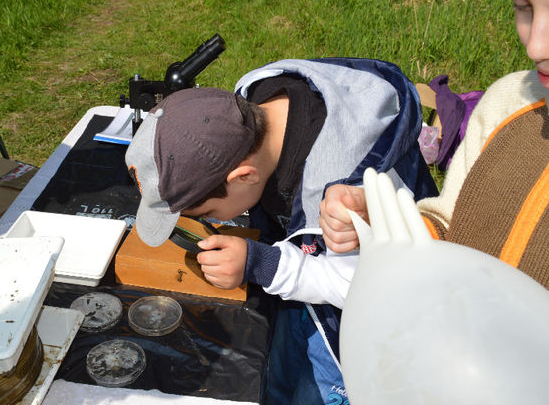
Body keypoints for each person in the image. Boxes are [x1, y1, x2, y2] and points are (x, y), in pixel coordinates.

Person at [125, 57, 438, 404]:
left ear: (244, 176)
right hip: (307, 277)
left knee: (312, 393)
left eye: (211, 213)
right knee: (277, 375)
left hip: (360, 328)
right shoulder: (260, 102)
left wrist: (260, 263)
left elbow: (364, 288)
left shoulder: (344, 201)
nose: (214, 221)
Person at [320, 0, 549, 289]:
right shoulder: (508, 102)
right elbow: (448, 223)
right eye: (524, 7)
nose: (535, 45)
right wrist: (382, 223)